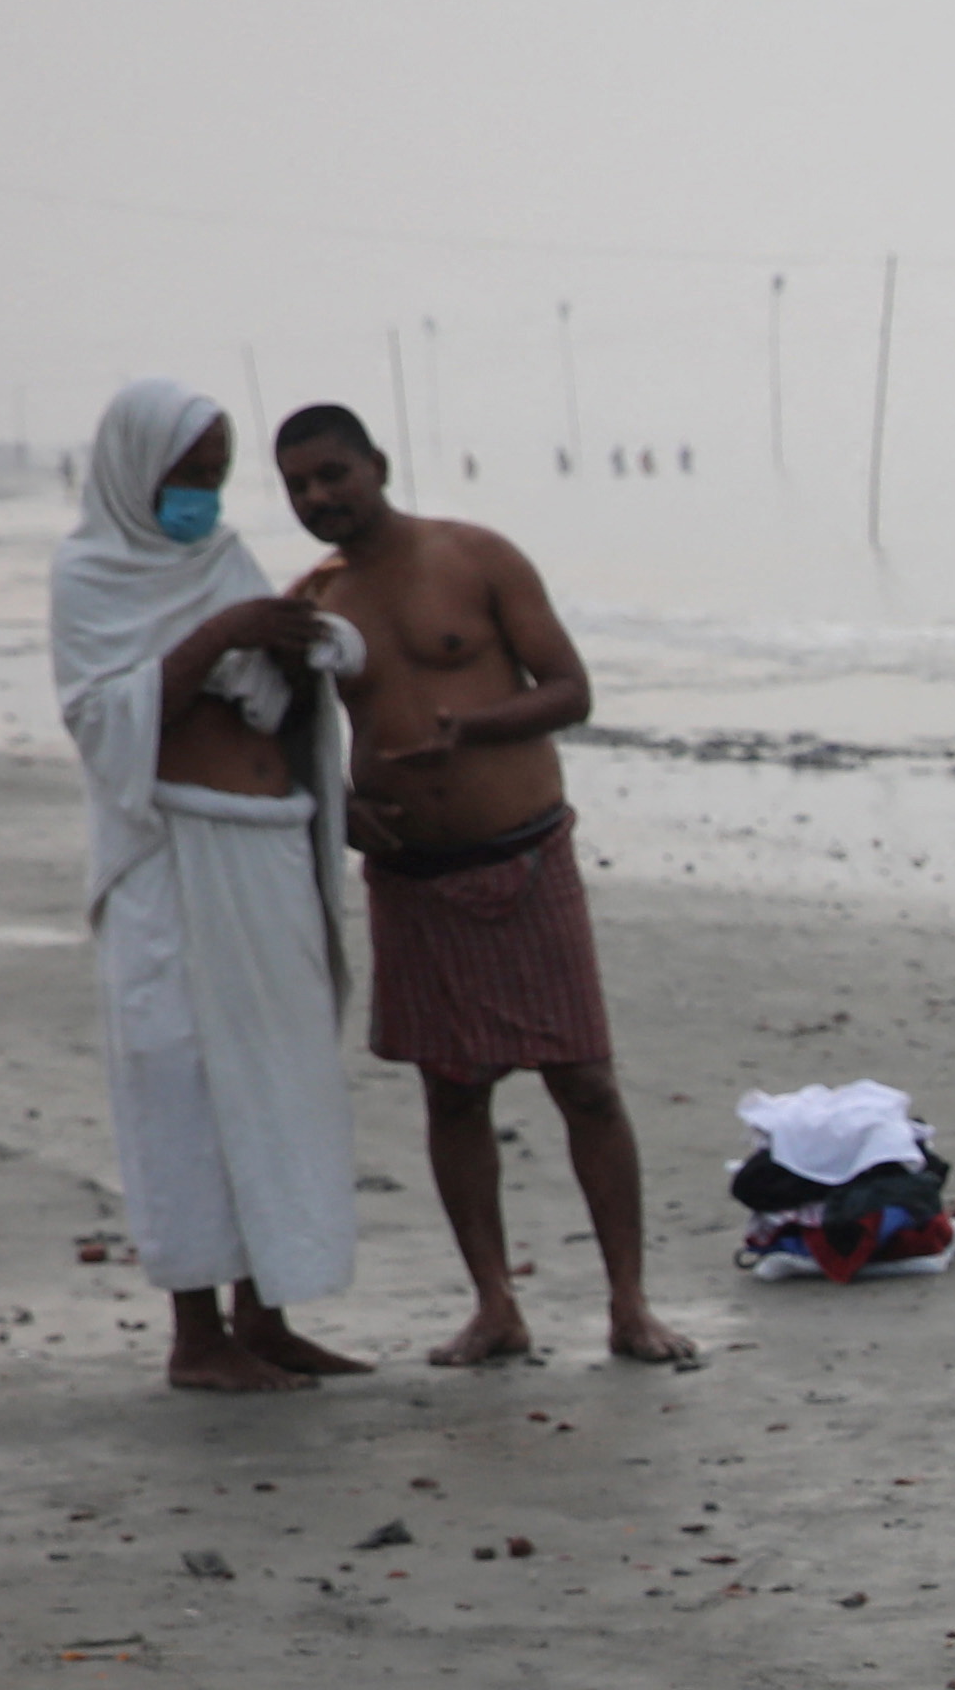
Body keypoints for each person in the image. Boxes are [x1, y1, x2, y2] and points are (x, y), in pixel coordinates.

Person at [278, 403, 696, 1369]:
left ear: (377, 465)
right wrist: (341, 807)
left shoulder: (473, 558)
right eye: (300, 485)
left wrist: (476, 729)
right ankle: (495, 1305)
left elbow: (570, 689)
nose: (320, 497)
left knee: (585, 1082)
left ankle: (629, 1303)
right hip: (413, 876)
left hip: (523, 854)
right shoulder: (314, 604)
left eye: (334, 474)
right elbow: (291, 735)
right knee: (453, 1091)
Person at [47, 380, 372, 1391]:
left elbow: (273, 692)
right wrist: (220, 637)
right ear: (137, 474)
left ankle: (265, 1312)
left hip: (266, 844)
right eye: (186, 479)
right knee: (181, 1078)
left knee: (279, 1074)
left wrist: (301, 650)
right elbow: (103, 721)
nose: (203, 497)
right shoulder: (89, 574)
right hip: (173, 860)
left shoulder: (223, 558)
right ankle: (196, 1334)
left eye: (216, 478)